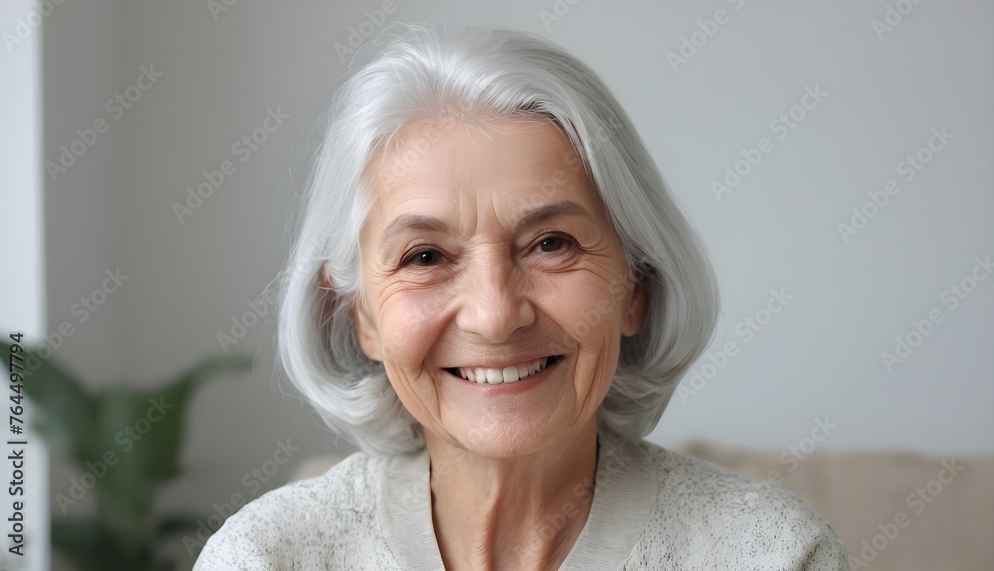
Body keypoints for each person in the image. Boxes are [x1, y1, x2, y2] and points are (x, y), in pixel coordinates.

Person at [195, 23, 847, 570]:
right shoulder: (265, 556)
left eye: (552, 244)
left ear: (636, 286)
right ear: (358, 313)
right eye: (425, 257)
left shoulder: (775, 553)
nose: (495, 313)